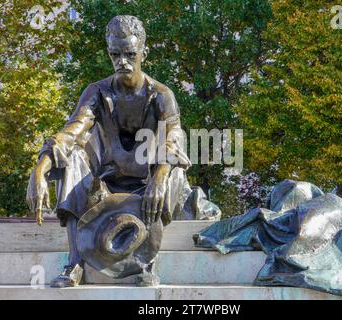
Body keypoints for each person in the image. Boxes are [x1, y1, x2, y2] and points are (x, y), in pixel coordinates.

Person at [26, 15, 220, 287]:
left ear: (144, 52)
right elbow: (72, 132)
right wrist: (39, 171)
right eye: (115, 54)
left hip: (149, 184)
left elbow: (174, 140)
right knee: (73, 159)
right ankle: (74, 263)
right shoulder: (96, 92)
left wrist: (160, 176)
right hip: (106, 186)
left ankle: (145, 263)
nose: (122, 61)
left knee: (171, 171)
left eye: (130, 53)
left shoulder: (161, 95)